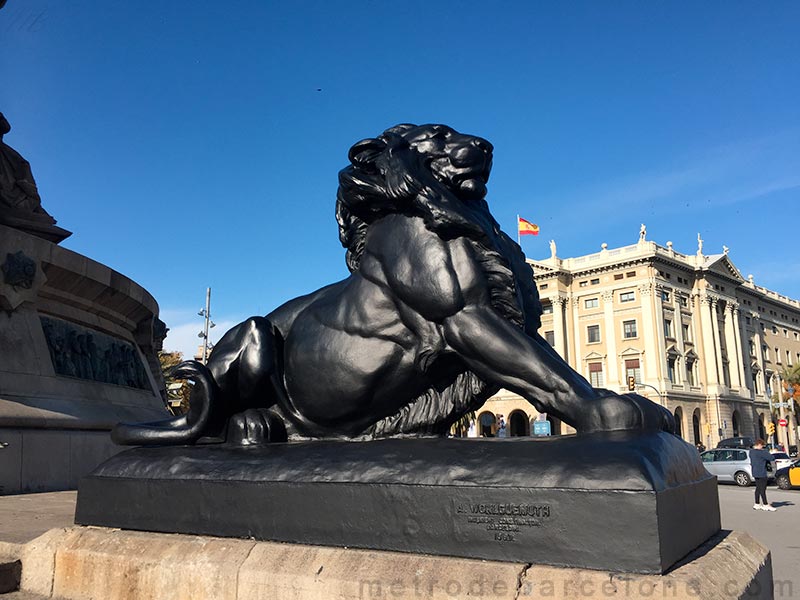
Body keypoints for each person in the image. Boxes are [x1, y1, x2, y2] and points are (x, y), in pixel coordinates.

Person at [750, 439, 776, 511]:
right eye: (762, 445)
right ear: (759, 445)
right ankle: (765, 504)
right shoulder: (762, 452)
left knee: (758, 488)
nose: (762, 447)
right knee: (762, 489)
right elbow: (771, 458)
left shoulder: (751, 452)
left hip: (755, 472)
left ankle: (757, 503)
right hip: (762, 472)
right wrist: (770, 452)